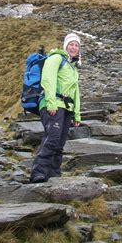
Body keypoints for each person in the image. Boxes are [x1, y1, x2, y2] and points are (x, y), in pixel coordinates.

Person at [29, 33, 81, 183]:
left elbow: (76, 92)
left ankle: (54, 174)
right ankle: (38, 172)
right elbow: (48, 79)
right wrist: (51, 102)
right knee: (52, 138)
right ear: (65, 45)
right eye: (71, 44)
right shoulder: (56, 58)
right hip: (53, 104)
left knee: (60, 143)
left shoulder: (73, 67)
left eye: (76, 45)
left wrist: (77, 114)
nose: (74, 47)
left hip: (66, 108)